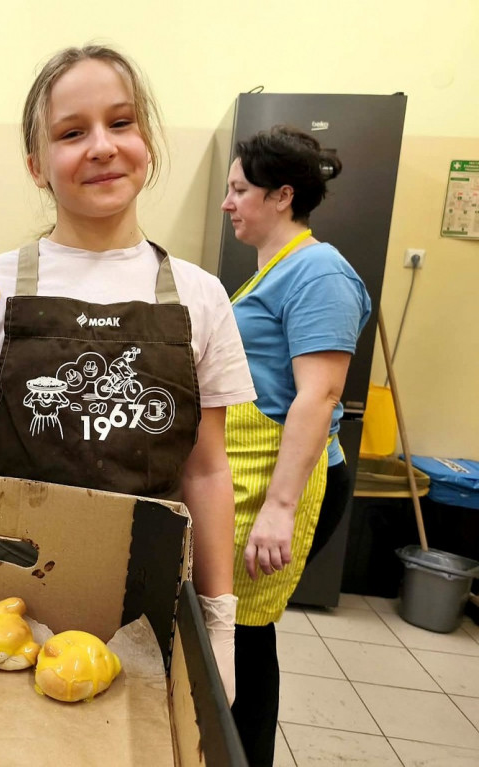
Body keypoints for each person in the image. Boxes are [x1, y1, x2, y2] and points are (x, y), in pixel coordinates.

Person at [0, 44, 256, 704]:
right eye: (72, 132)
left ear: (147, 141)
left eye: (121, 123)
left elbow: (206, 471)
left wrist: (219, 618)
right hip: (2, 598)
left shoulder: (200, 295)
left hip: (140, 605)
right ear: (38, 165)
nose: (101, 146)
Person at [221, 126, 371, 765]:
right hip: (249, 470)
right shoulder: (273, 268)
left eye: (239, 190)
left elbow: (319, 394)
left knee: (249, 638)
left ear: (281, 196)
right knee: (230, 630)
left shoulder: (318, 271)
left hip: (283, 481)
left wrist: (278, 509)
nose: (229, 203)